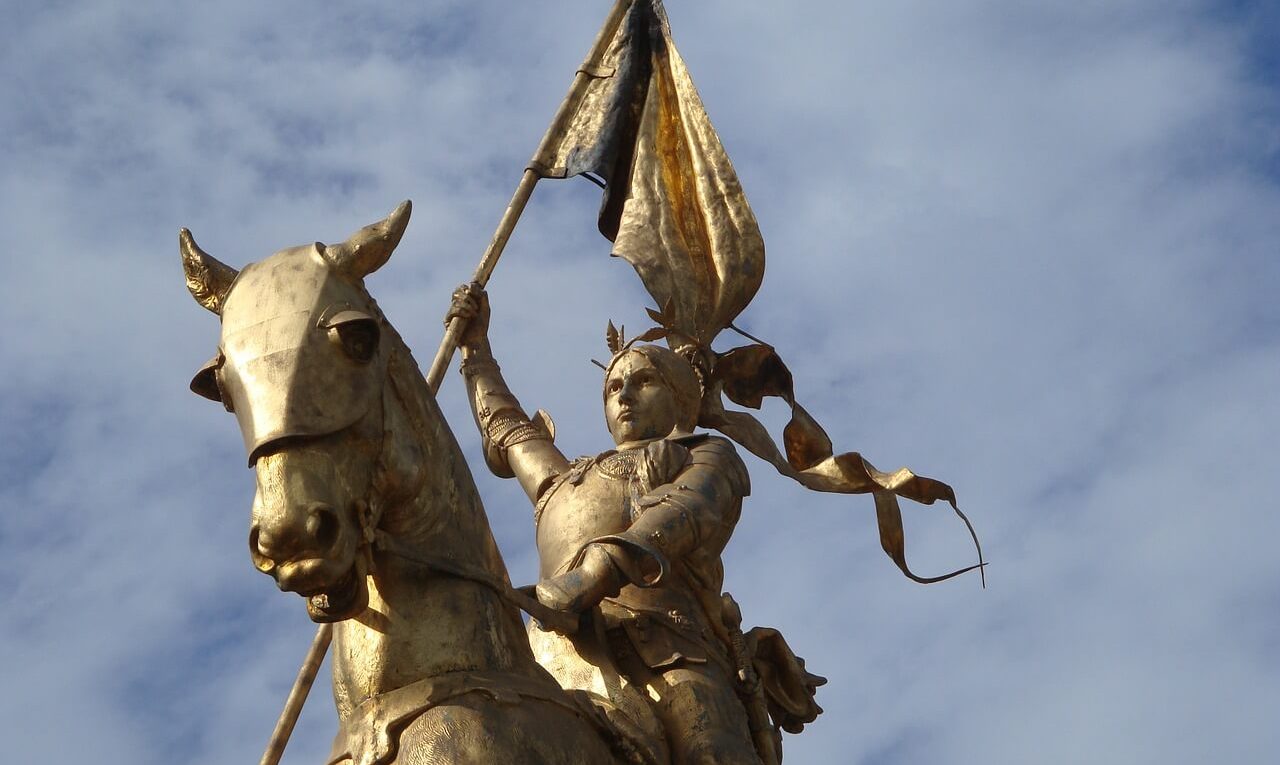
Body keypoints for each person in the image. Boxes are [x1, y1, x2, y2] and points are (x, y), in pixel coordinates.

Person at [449, 284, 765, 765]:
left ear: (680, 397)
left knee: (712, 752)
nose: (625, 397)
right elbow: (506, 426)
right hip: (555, 651)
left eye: (643, 382)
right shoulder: (564, 480)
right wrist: (476, 351)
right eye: (614, 388)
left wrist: (593, 575)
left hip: (668, 650)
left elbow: (686, 511)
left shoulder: (703, 454)